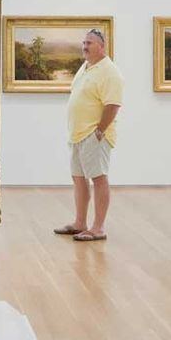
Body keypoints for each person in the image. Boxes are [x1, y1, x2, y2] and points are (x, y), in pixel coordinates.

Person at [55, 27, 122, 242]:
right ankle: (80, 223)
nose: (84, 46)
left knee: (99, 178)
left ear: (102, 47)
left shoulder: (110, 72)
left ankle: (98, 228)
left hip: (95, 135)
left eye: (89, 43)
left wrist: (99, 132)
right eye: (84, 43)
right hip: (77, 135)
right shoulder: (85, 67)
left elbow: (112, 105)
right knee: (78, 179)